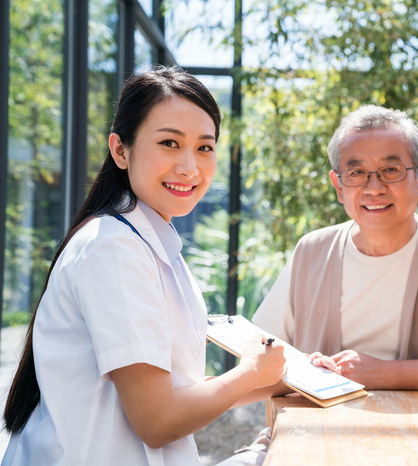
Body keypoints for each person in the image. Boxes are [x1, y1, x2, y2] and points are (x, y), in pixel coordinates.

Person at [2, 66, 287, 466]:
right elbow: (158, 420)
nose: (190, 167)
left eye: (205, 148)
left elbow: (176, 393)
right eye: (170, 143)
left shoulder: (152, 246)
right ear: (120, 150)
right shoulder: (114, 249)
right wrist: (251, 372)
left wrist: (284, 379)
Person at [253, 105, 418, 390]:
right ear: (339, 187)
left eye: (391, 170)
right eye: (356, 172)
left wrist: (384, 374)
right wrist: (308, 368)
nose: (374, 188)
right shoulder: (312, 251)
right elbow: (259, 348)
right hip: (315, 430)